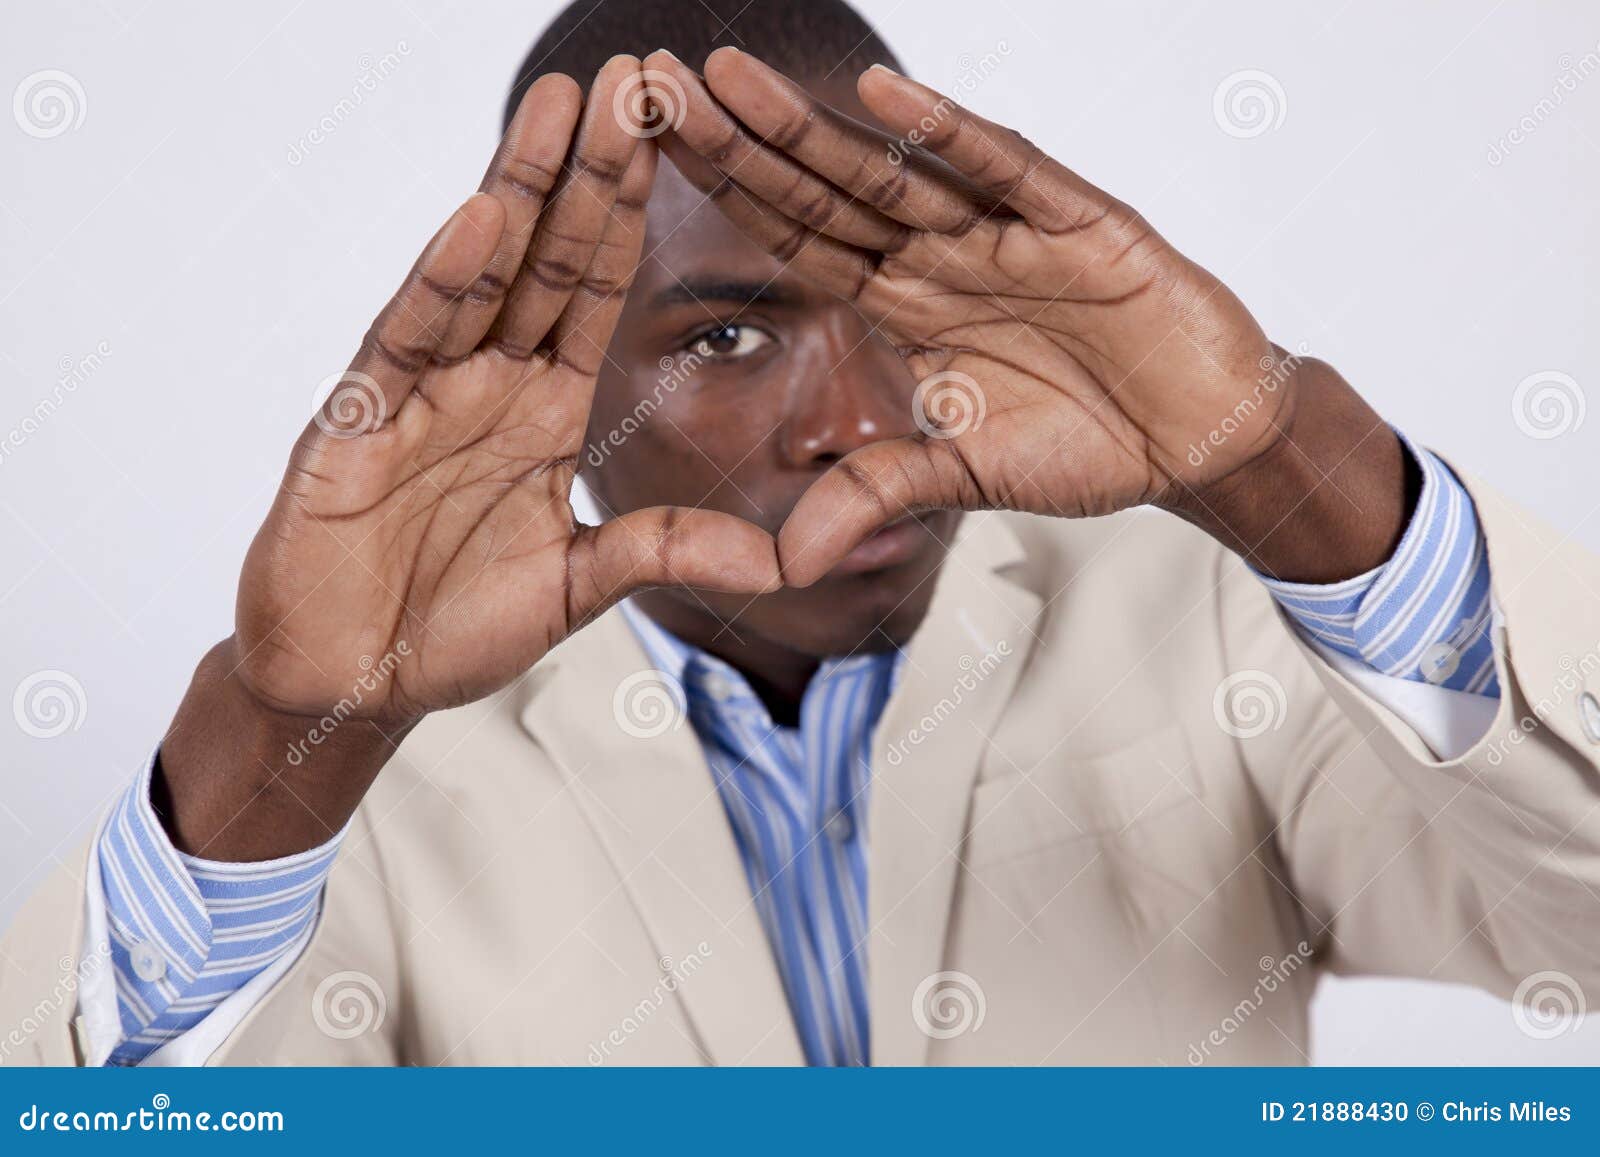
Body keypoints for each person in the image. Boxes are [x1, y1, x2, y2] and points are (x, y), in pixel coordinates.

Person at [4, 0, 1599, 1067]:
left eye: (903, 310)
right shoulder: (377, 782)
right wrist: (280, 743)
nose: (862, 419)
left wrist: (1290, 467)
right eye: (724, 338)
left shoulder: (1219, 622)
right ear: (561, 377)